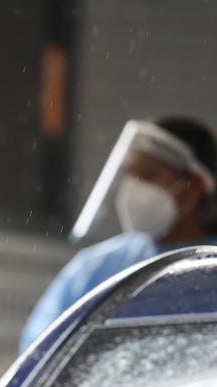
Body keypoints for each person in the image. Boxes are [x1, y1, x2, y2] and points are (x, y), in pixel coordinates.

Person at [21, 116, 217, 351]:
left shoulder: (210, 265)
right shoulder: (95, 269)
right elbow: (41, 350)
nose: (133, 186)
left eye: (148, 174)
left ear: (193, 187)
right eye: (130, 173)